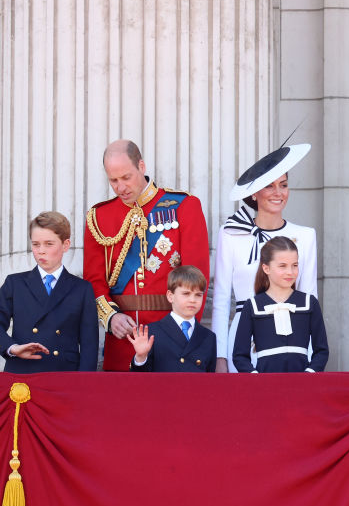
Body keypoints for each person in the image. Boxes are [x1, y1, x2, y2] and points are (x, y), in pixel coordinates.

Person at [84, 140, 210, 371]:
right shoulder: (99, 217)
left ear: (141, 166)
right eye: (113, 180)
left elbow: (196, 278)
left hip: (172, 337)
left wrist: (185, 333)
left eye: (126, 177)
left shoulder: (184, 206)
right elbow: (93, 281)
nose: (121, 187)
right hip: (123, 339)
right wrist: (111, 319)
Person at [212, 144, 317, 373]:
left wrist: (311, 357)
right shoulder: (231, 234)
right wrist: (220, 356)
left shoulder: (305, 236)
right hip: (243, 338)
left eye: (284, 185)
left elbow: (309, 298)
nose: (278, 193)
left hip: (292, 337)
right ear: (254, 192)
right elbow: (221, 300)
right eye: (269, 185)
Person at [0, 212, 99, 372]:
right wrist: (12, 347)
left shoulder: (82, 289)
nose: (41, 251)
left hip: (64, 375)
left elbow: (89, 345)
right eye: (36, 244)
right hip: (22, 373)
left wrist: (83, 386)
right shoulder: (15, 283)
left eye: (48, 244)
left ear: (65, 245)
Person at [232, 236, 329, 373]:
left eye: (294, 265)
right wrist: (255, 377)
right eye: (282, 266)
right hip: (265, 387)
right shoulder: (252, 305)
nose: (290, 272)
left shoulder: (309, 303)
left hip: (302, 386)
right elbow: (239, 355)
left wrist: (310, 373)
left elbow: (322, 350)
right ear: (266, 268)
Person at [127, 265, 217, 372]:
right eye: (186, 294)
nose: (192, 300)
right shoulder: (152, 332)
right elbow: (140, 381)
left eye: (198, 295)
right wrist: (141, 358)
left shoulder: (208, 337)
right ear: (170, 296)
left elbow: (209, 382)